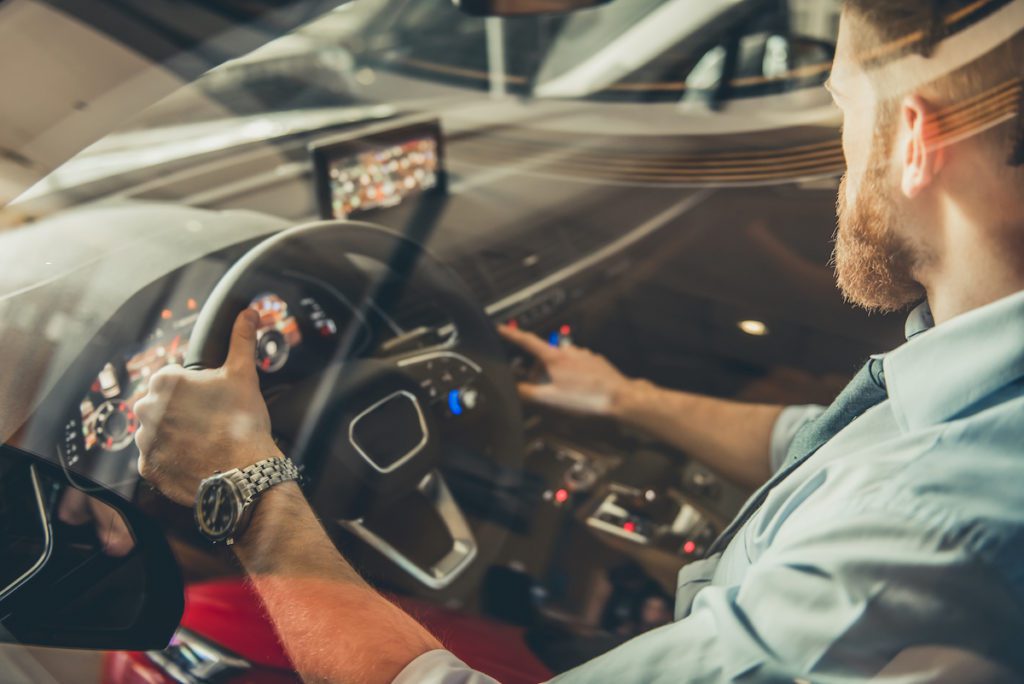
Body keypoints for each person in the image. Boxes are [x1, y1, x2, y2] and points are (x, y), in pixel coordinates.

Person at [134, 1, 1024, 681]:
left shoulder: (926, 532)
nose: (838, 146)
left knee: (201, 619)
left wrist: (241, 485)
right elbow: (820, 439)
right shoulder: (971, 384)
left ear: (913, 140)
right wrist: (623, 399)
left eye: (843, 106)